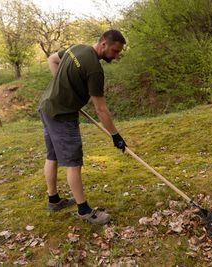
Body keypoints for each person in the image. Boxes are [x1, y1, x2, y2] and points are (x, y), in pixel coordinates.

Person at [37, 29, 127, 225]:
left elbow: (52, 60)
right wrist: (115, 135)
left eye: (118, 52)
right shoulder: (94, 69)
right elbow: (101, 109)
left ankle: (53, 200)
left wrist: (63, 86)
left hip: (46, 106)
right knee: (73, 163)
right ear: (103, 44)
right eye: (114, 51)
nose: (116, 55)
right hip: (61, 116)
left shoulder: (77, 48)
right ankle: (84, 211)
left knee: (52, 155)